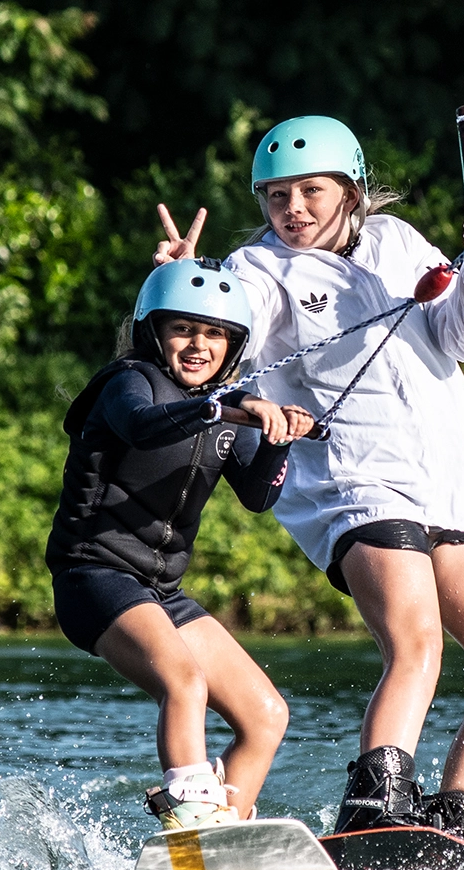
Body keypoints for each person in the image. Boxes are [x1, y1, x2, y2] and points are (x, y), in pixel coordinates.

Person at [152, 116, 464, 839]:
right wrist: (182, 288)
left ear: (353, 190)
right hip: (355, 482)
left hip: (451, 482)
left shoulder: (397, 243)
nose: (292, 208)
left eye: (310, 191)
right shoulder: (256, 272)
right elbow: (220, 349)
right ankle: (373, 809)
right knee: (416, 641)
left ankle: (451, 822)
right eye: (275, 196)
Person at [46, 259, 317, 830]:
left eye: (215, 334)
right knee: (185, 680)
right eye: (183, 330)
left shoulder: (227, 407)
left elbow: (258, 496)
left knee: (266, 714)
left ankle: (228, 837)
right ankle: (191, 816)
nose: (199, 346)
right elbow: (145, 425)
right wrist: (224, 407)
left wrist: (277, 440)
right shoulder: (130, 382)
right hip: (91, 575)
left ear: (233, 344)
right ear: (154, 334)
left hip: (158, 588)